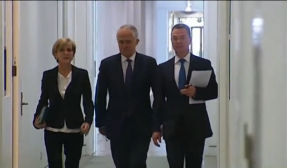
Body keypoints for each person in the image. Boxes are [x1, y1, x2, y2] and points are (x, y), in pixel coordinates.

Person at [152, 23, 218, 168]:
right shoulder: (163, 68)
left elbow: (215, 91)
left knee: (194, 164)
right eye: (175, 38)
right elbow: (158, 100)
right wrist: (156, 128)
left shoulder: (203, 64)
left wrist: (196, 92)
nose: (178, 42)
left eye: (182, 38)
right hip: (172, 126)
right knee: (174, 164)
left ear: (190, 39)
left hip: (196, 126)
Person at [95, 24, 159, 168]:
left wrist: (156, 124)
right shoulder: (107, 64)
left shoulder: (149, 63)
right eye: (121, 42)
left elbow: (158, 95)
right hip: (116, 124)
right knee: (121, 163)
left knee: (137, 163)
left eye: (128, 41)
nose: (124, 45)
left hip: (142, 124)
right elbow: (100, 95)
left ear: (137, 41)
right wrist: (101, 122)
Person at [33, 38, 94, 168]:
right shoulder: (48, 75)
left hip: (75, 128)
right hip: (52, 128)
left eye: (69, 50)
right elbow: (43, 100)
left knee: (72, 164)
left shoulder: (82, 75)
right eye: (62, 50)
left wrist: (88, 121)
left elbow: (88, 102)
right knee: (54, 164)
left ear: (73, 53)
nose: (66, 53)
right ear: (55, 54)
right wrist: (36, 119)